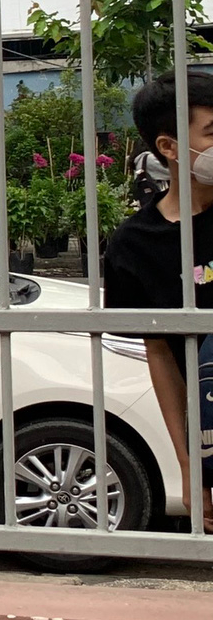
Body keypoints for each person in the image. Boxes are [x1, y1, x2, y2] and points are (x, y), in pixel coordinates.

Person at [103, 73, 213, 529]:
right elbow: (162, 355)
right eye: (211, 133)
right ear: (169, 147)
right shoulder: (134, 244)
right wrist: (192, 469)